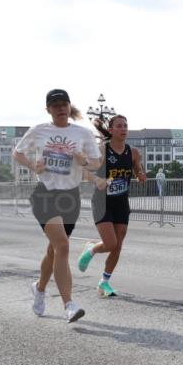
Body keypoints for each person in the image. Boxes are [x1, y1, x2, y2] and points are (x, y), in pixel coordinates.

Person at [13, 89, 101, 322]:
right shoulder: (39, 130)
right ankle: (69, 305)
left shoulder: (82, 133)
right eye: (55, 105)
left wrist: (84, 161)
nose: (60, 108)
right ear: (48, 109)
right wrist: (34, 166)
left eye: (64, 104)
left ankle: (39, 288)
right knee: (62, 246)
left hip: (70, 196)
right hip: (45, 194)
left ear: (70, 107)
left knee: (54, 250)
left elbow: (95, 162)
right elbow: (18, 153)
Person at [77, 114, 147, 297]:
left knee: (117, 246)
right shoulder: (102, 150)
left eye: (125, 125)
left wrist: (140, 174)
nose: (124, 129)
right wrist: (98, 180)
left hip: (122, 202)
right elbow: (83, 171)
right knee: (110, 243)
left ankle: (104, 283)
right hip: (102, 202)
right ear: (111, 130)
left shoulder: (133, 152)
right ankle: (91, 249)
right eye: (119, 126)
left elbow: (137, 168)